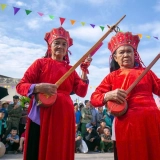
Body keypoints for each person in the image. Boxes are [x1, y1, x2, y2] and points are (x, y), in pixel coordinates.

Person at [16, 27, 92, 160]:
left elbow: (81, 91)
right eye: (57, 43)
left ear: (67, 48)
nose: (60, 46)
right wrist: (38, 87)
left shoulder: (70, 70)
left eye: (64, 44)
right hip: (43, 112)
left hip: (64, 115)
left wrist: (84, 71)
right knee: (39, 147)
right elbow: (20, 86)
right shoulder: (40, 63)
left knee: (60, 148)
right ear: (50, 45)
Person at [90, 31, 160, 160]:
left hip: (151, 122)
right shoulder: (112, 77)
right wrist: (108, 95)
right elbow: (94, 98)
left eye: (129, 51)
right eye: (121, 52)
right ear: (115, 57)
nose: (126, 54)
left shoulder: (147, 73)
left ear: (135, 54)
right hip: (127, 124)